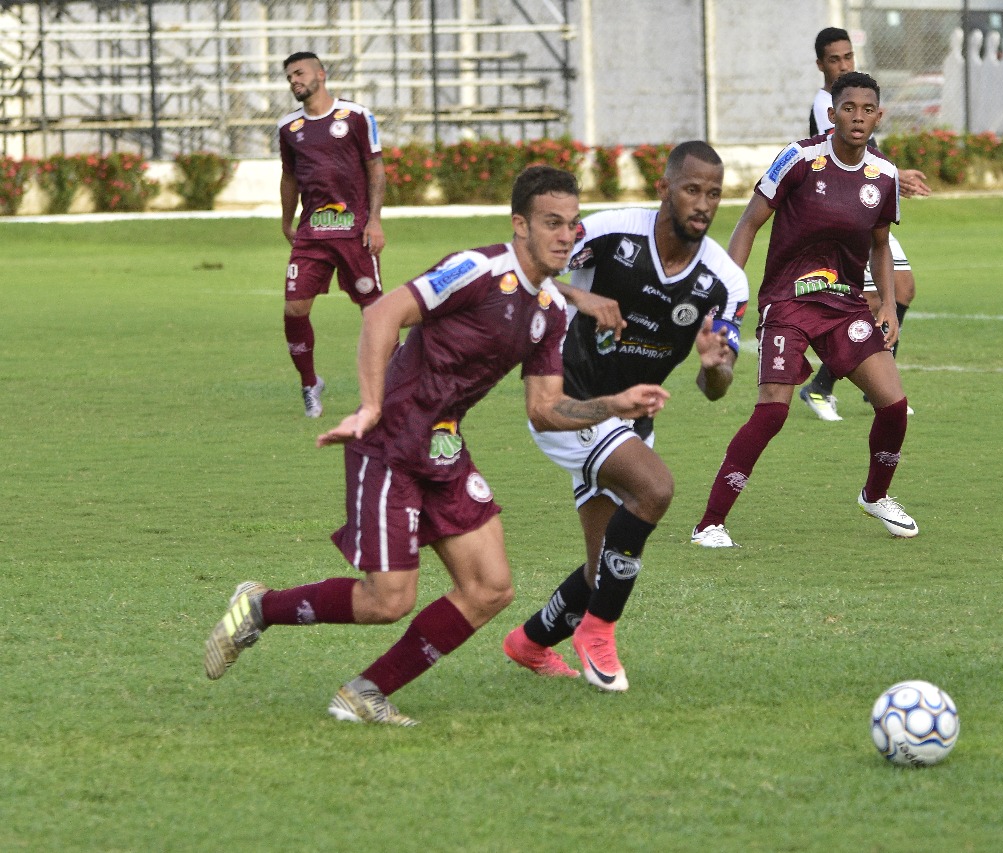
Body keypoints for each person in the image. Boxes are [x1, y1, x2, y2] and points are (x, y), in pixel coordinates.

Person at [203, 166, 671, 726]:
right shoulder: (476, 269)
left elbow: (546, 411)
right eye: (552, 223)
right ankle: (261, 606)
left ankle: (364, 693)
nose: (566, 235)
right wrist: (371, 406)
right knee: (388, 601)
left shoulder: (547, 310)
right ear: (519, 225)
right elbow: (382, 314)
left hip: (444, 446)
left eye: (572, 224)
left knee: (490, 587)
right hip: (390, 441)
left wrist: (615, 405)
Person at [501, 142, 748, 693]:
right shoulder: (611, 232)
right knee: (656, 488)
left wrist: (713, 366)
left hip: (630, 419)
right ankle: (598, 633)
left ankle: (531, 642)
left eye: (713, 193)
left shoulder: (726, 283)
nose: (703, 203)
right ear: (664, 189)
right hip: (568, 397)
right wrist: (579, 298)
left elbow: (717, 388)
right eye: (691, 189)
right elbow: (522, 267)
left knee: (603, 564)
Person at [690, 71, 918, 548]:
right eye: (848, 108)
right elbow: (748, 224)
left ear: (879, 116)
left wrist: (890, 308)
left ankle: (875, 496)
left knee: (893, 407)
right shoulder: (798, 158)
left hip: (845, 305)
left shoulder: (885, 176)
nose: (858, 117)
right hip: (788, 301)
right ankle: (710, 522)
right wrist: (730, 296)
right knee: (773, 412)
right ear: (831, 113)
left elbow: (880, 244)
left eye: (867, 109)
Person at [801, 27, 925, 421]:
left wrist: (891, 173)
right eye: (834, 59)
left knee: (901, 289)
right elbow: (854, 149)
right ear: (820, 64)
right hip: (843, 211)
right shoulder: (828, 104)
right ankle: (822, 388)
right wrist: (895, 172)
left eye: (848, 57)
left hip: (865, 208)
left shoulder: (855, 95)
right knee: (869, 301)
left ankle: (876, 391)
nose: (843, 64)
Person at [277, 51, 386, 418]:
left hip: (355, 232)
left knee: (375, 314)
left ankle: (394, 385)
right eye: (289, 76)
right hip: (311, 233)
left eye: (300, 73)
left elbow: (375, 169)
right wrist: (286, 220)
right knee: (294, 309)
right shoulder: (288, 128)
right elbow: (289, 176)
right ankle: (310, 384)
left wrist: (375, 221)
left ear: (320, 74)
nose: (294, 80)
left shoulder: (355, 116)